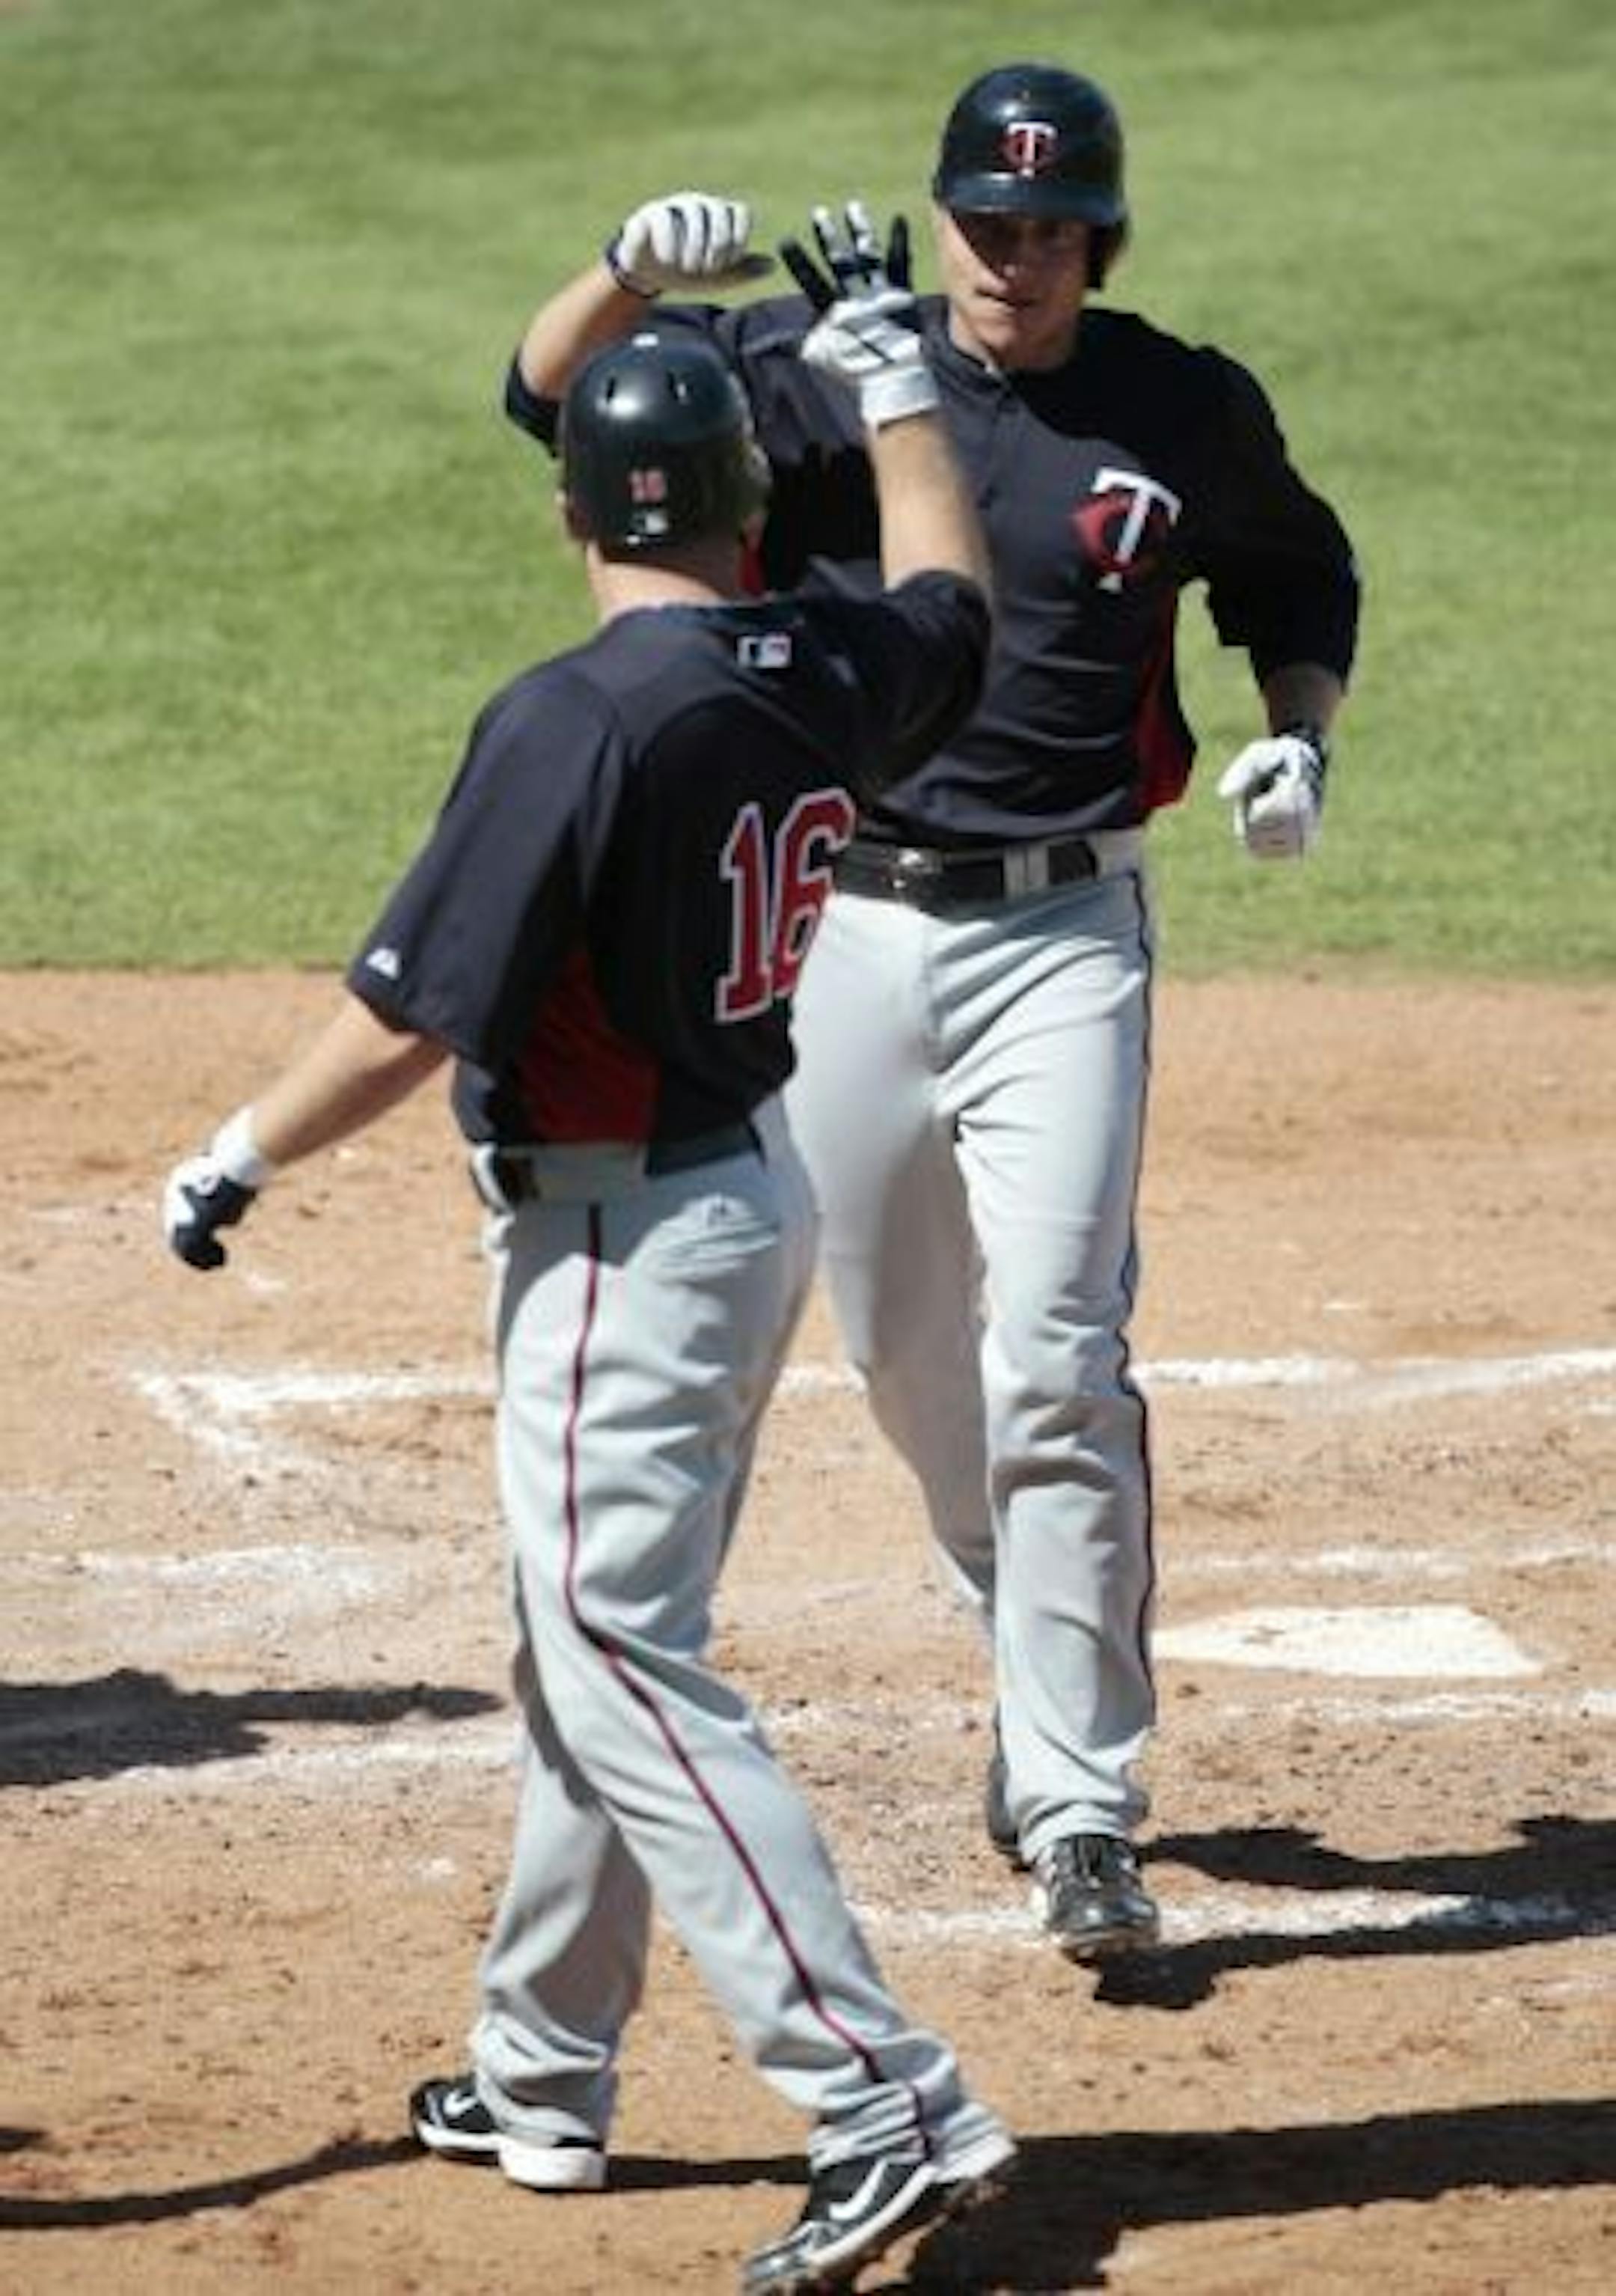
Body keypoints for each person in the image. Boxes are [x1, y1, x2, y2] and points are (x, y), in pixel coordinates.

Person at [159, 264, 1015, 2296]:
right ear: (739, 504)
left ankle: (877, 2090)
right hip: (743, 1196)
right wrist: (901, 399)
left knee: (621, 1647)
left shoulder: (573, 714)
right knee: (589, 1643)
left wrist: (235, 1154)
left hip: (626, 1242)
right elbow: (955, 618)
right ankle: (541, 2071)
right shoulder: (816, 661)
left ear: (576, 511)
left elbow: (406, 1019)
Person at [499, 61, 1361, 1970]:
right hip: (848, 928)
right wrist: (624, 274)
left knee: (1057, 1346)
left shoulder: (1178, 406)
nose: (1015, 257)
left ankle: (1079, 1803)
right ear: (946, 211)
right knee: (907, 1358)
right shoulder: (815, 361)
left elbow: (1298, 571)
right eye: (988, 219)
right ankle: (1014, 1592)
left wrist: (1298, 736)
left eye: (1053, 230)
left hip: (1069, 931)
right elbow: (552, 403)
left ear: (1100, 239)